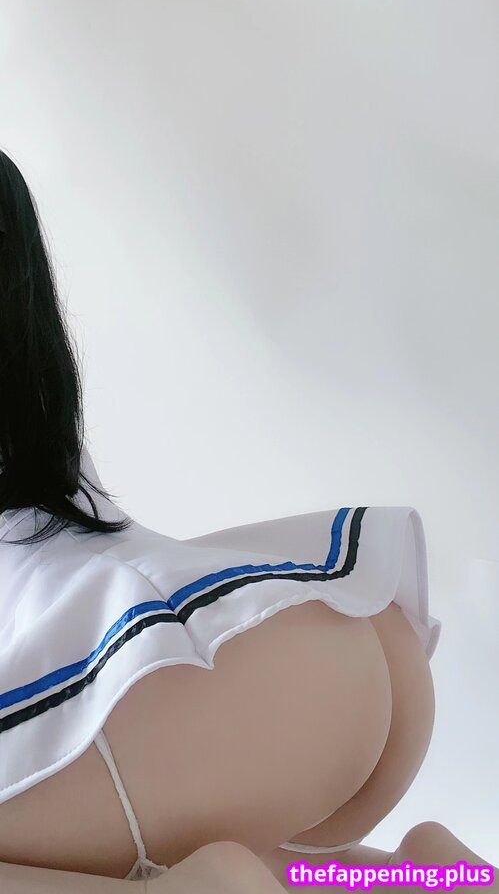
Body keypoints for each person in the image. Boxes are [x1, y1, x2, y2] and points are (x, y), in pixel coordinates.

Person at [0, 150, 495, 892]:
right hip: (327, 637)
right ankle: (420, 878)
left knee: (179, 862)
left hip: (187, 683)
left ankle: (189, 888)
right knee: (205, 852)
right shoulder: (36, 421)